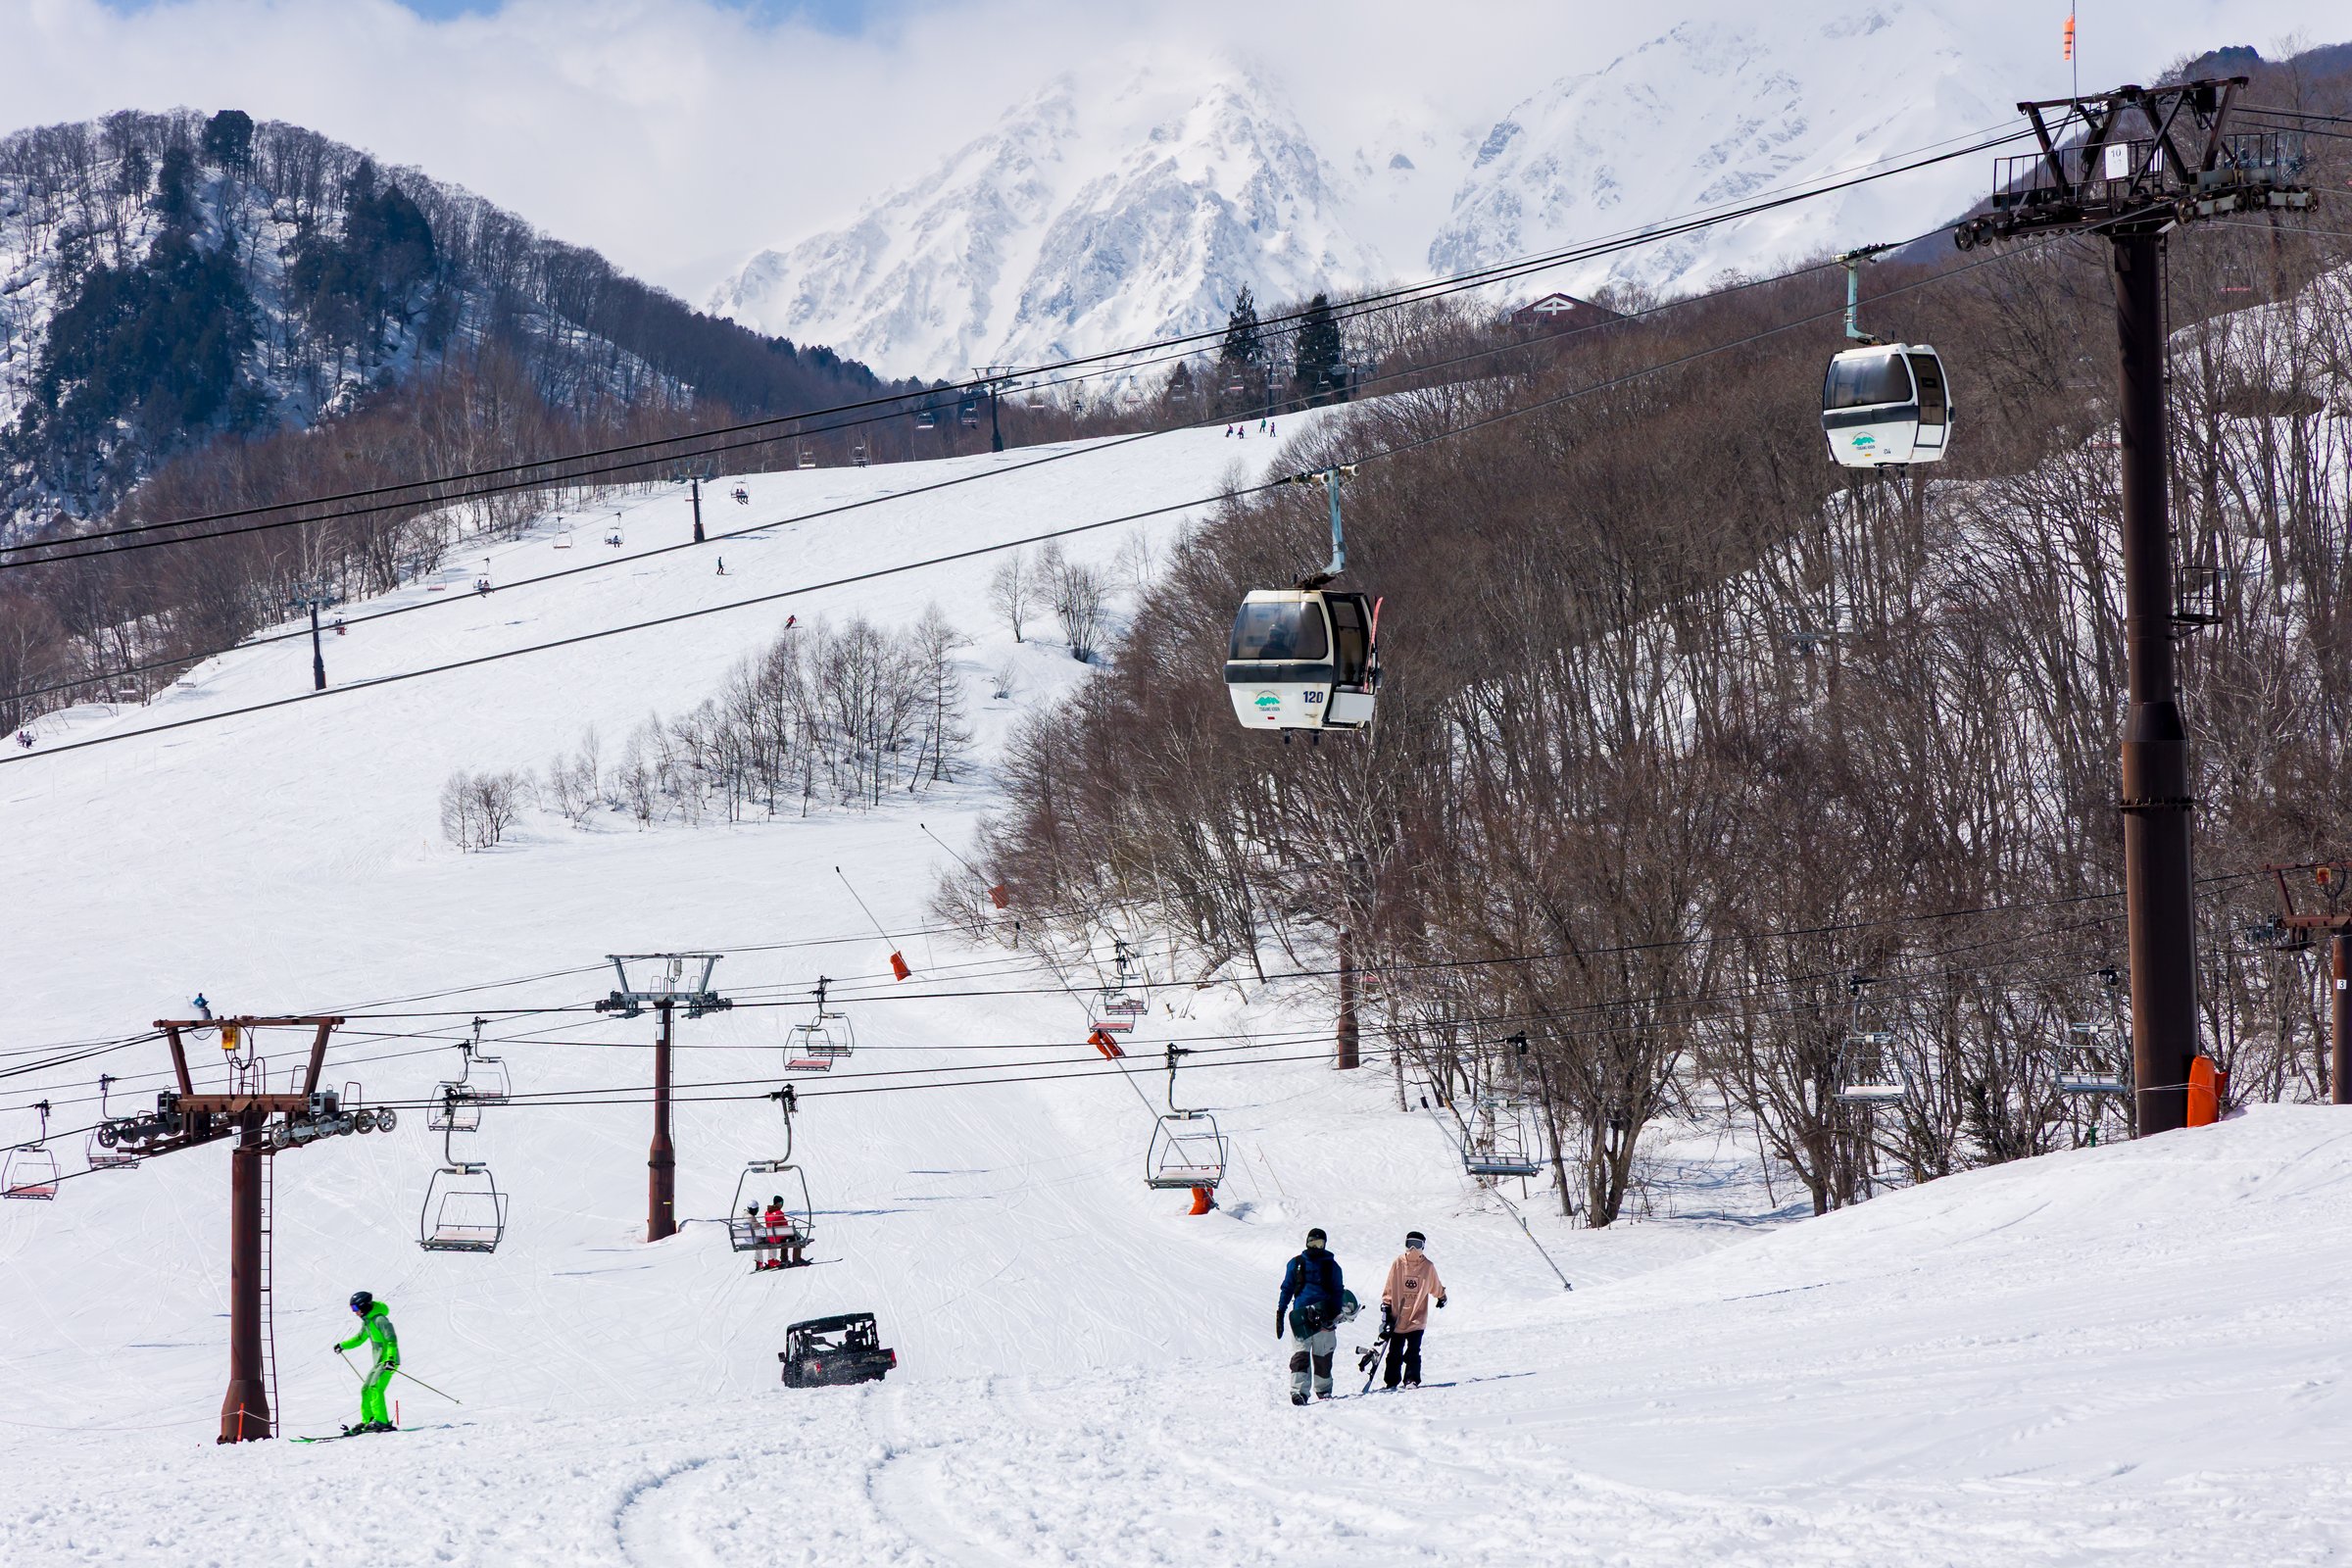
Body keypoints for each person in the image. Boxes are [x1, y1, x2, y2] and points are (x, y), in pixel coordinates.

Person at [1276, 1227, 1345, 1405]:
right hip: (1301, 1317)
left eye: (1319, 1243)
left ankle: (1323, 1390)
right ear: (1306, 1243)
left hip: (1325, 1315)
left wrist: (1334, 1315)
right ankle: (1299, 1392)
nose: (1315, 1247)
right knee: (1301, 1355)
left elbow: (1338, 1291)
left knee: (1323, 1355)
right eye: (1312, 1242)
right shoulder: (1297, 1263)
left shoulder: (1332, 1266)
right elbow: (1287, 1288)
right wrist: (1280, 1312)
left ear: (1324, 1245)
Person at [1379, 1230, 1447, 1389]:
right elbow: (1390, 1286)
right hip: (1398, 1316)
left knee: (1413, 1351)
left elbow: (1435, 1285)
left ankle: (1411, 1379)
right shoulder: (1398, 1263)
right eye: (1410, 1244)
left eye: (1417, 1245)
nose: (1413, 1249)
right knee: (1394, 1352)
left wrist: (1441, 1296)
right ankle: (1391, 1381)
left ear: (1423, 1247)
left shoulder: (1428, 1267)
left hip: (1417, 1316)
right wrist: (1386, 1306)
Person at [334, 1290, 401, 1435]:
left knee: (375, 1387)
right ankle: (369, 1420)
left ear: (364, 1306)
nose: (355, 1312)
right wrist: (342, 1345)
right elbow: (359, 1338)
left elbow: (391, 1340)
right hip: (379, 1362)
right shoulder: (368, 1322)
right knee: (366, 1389)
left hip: (389, 1360)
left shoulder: (380, 1320)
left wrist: (390, 1359)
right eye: (353, 1309)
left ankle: (381, 1421)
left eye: (356, 1308)